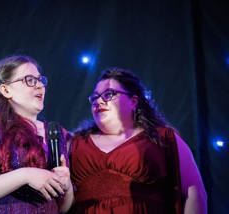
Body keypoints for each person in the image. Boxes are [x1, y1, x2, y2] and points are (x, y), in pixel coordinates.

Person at [69, 67, 207, 213]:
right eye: (95, 97)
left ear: (133, 101)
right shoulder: (76, 143)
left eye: (109, 94)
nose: (99, 101)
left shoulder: (164, 138)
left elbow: (194, 193)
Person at [0, 55, 74, 213]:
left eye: (40, 80)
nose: (40, 86)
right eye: (30, 80)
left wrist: (67, 187)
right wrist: (26, 175)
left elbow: (63, 209)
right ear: (6, 90)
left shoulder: (55, 132)